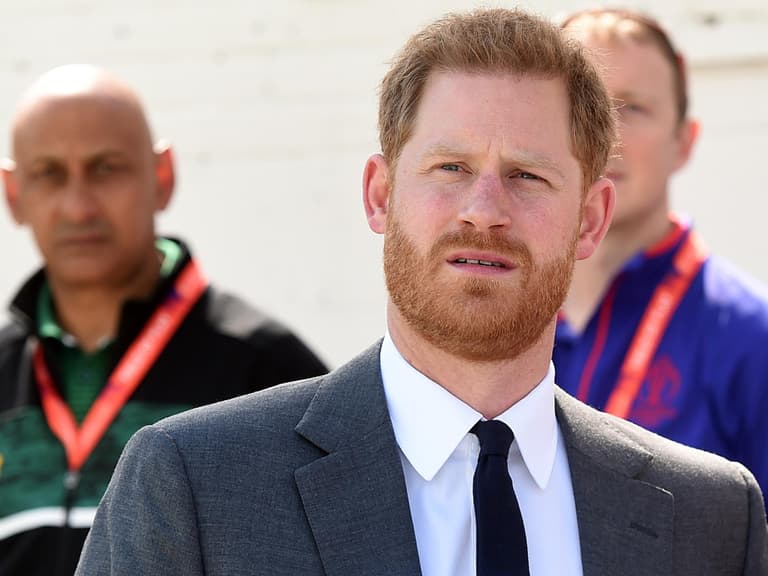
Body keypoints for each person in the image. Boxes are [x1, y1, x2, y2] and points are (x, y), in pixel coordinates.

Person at [77, 9, 767, 576]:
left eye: (527, 176)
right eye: (450, 167)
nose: (484, 210)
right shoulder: (197, 485)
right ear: (380, 195)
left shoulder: (710, 517)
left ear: (590, 219)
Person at [0, 65, 328, 576]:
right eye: (49, 174)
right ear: (14, 193)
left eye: (106, 168)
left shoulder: (265, 368)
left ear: (162, 176)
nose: (79, 206)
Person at [553, 8, 768, 502]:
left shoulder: (751, 339)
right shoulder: (497, 318)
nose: (606, 133)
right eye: (583, 103)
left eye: (632, 108)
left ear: (684, 142)